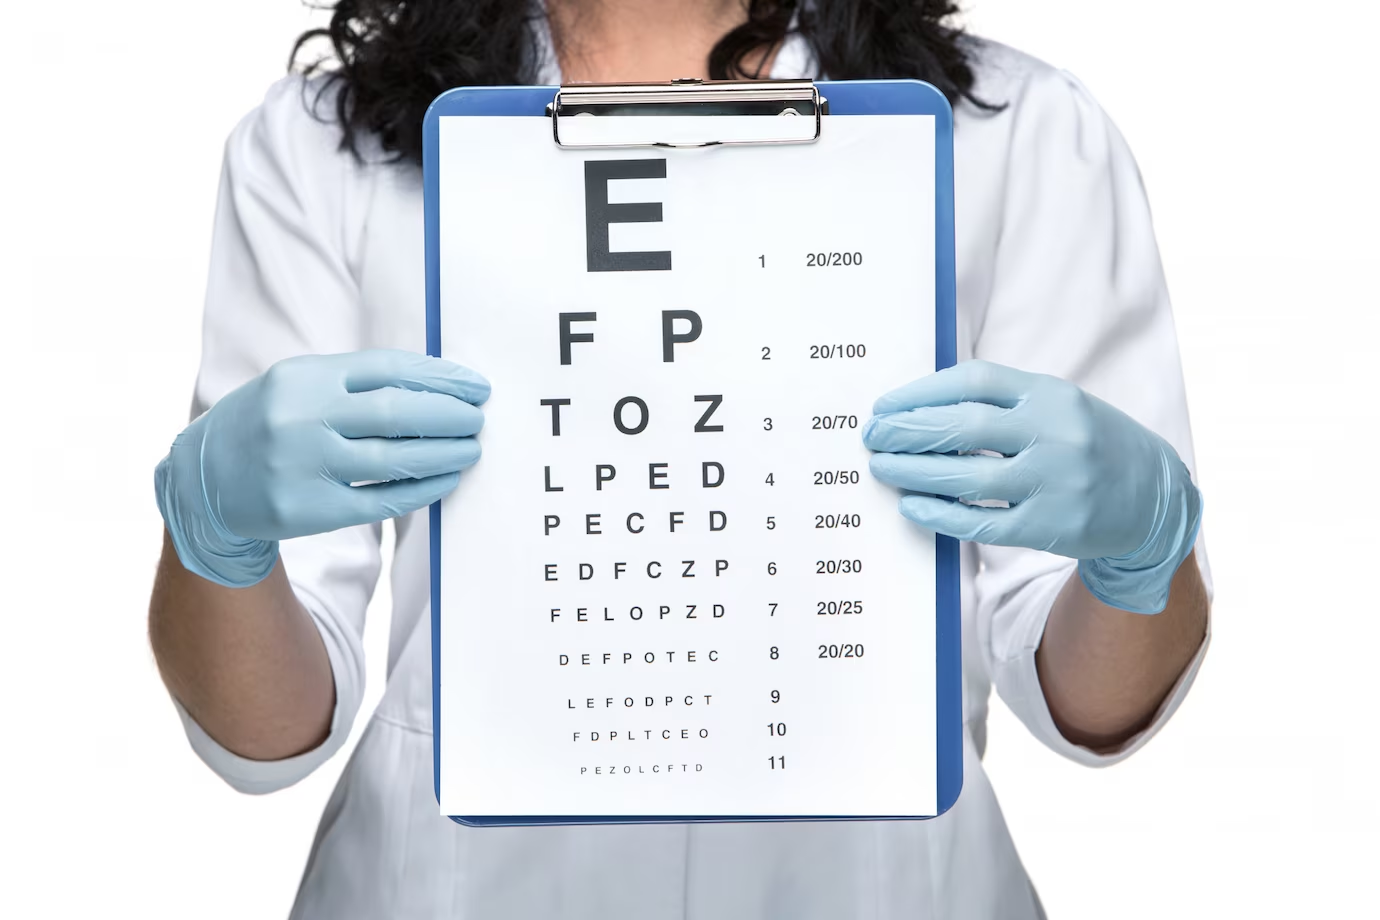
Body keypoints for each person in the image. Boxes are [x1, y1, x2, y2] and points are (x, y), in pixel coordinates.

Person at [148, 1, 1212, 917]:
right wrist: (217, 534)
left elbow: (1091, 705)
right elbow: (266, 732)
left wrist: (1141, 549)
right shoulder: (319, 151)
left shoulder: (1019, 137)